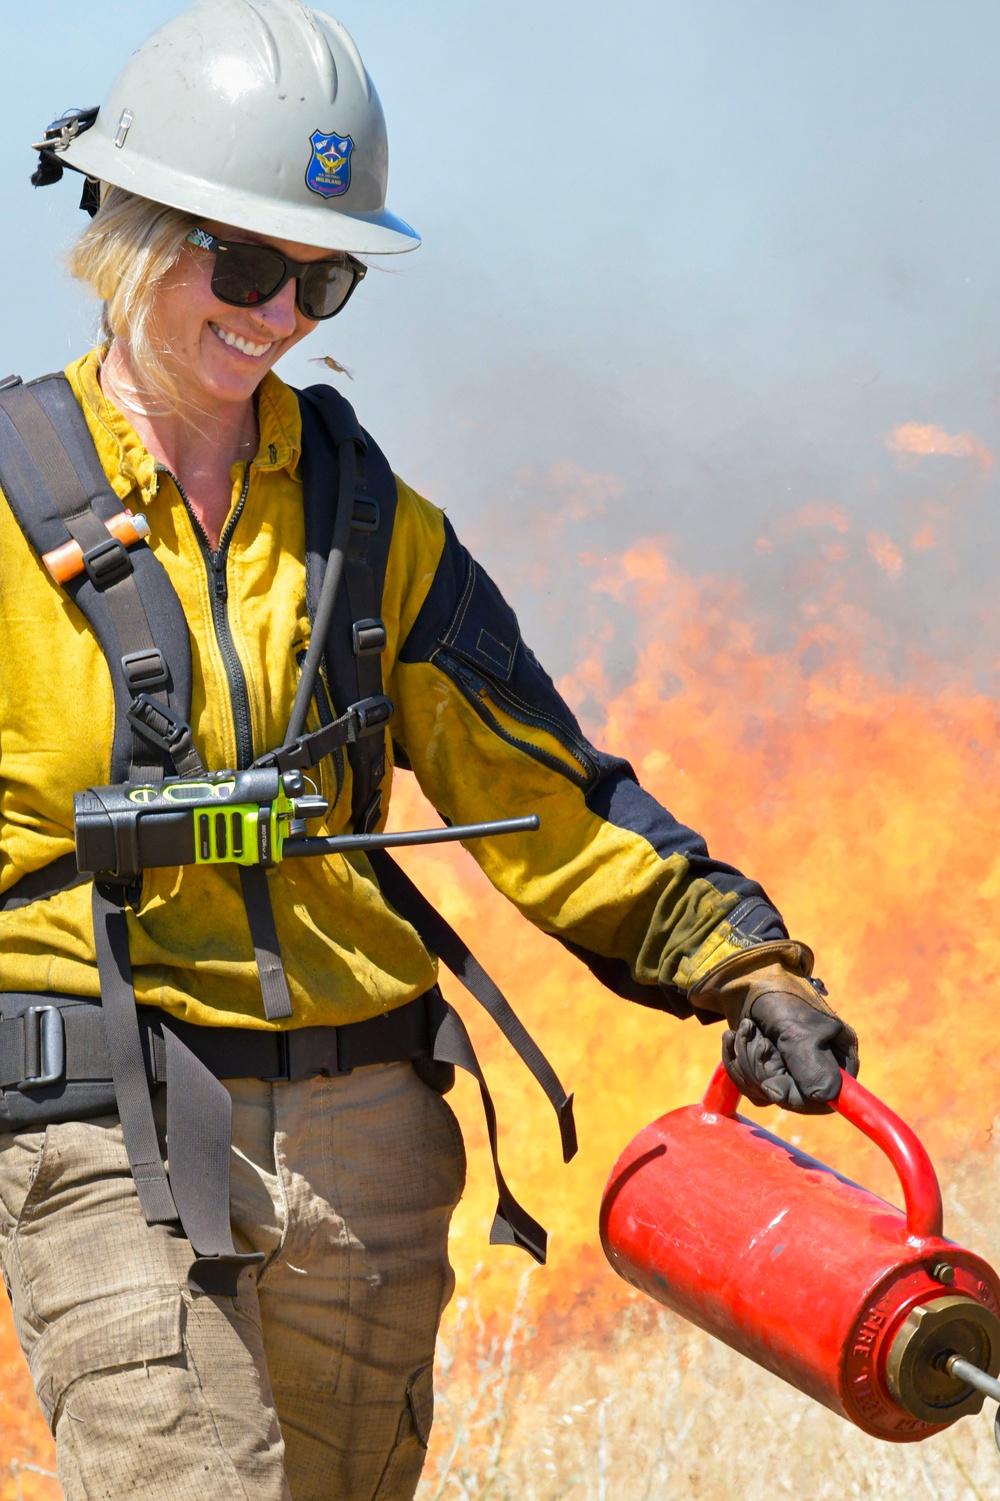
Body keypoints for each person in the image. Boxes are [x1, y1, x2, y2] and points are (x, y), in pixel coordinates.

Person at [0, 3, 859, 1498]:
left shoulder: (367, 519)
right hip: (106, 1131)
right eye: (246, 263)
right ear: (129, 223)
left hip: (371, 1161)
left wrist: (746, 961)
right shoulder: (12, 504)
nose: (279, 317)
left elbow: (545, 793)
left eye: (320, 276)